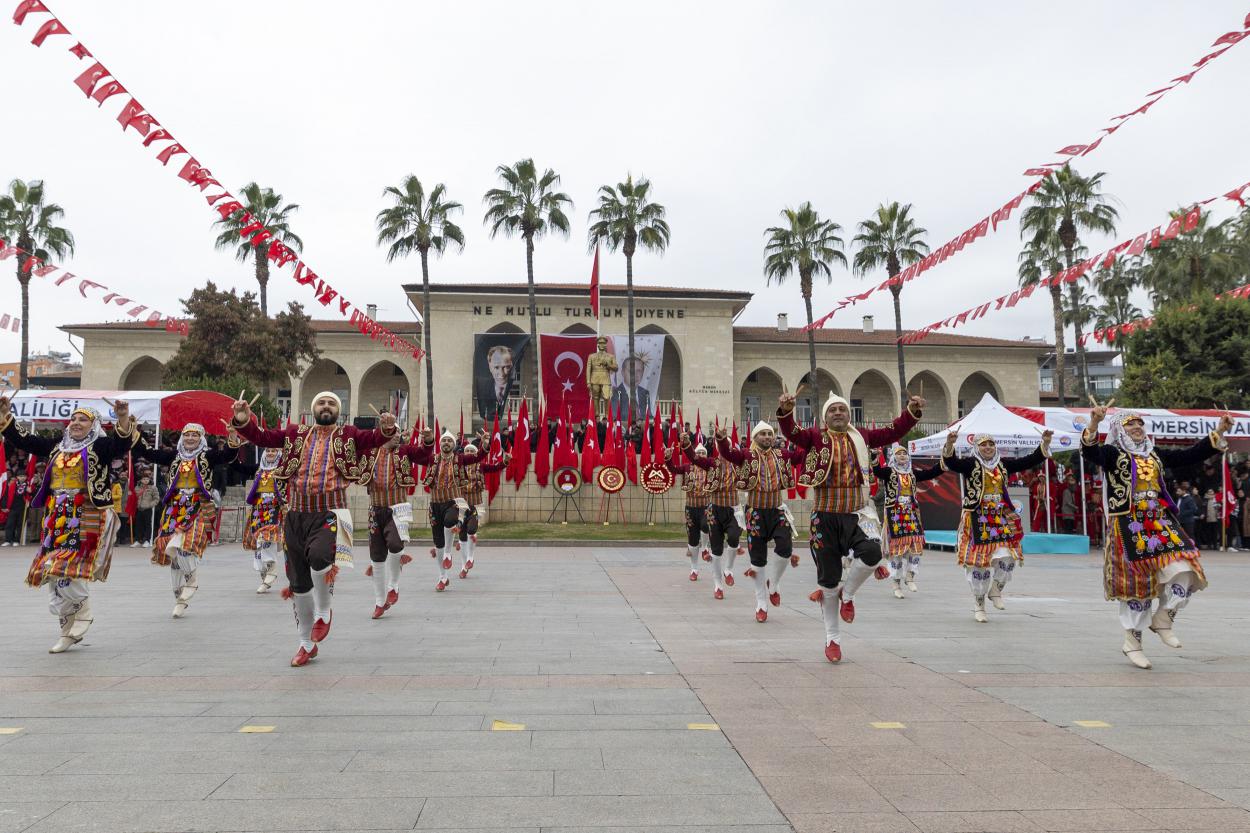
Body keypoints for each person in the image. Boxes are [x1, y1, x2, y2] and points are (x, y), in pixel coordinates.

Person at [232, 391, 397, 667]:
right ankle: (305, 644)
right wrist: (242, 419)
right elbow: (261, 437)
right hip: (295, 515)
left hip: (332, 513)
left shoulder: (349, 435)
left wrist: (387, 426)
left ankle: (324, 611)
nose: (326, 406)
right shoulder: (295, 434)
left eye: (332, 403)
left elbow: (376, 438)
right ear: (313, 408)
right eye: (321, 402)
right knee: (298, 582)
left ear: (338, 410)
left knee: (321, 557)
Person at [1081, 407, 1231, 669]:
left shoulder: (1154, 453)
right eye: (1131, 424)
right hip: (1128, 523)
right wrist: (1094, 422)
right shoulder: (1113, 453)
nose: (1137, 427)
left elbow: (1190, 455)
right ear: (1120, 430)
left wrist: (1218, 431)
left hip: (1159, 520)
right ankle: (1133, 641)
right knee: (1137, 587)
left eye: (1140, 424)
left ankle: (1164, 617)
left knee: (1186, 568)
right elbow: (1089, 451)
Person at [780, 391, 923, 663]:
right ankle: (832, 639)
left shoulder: (863, 436)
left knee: (872, 553)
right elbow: (792, 432)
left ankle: (850, 593)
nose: (837, 413)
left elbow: (893, 432)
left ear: (849, 414)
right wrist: (786, 410)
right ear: (825, 417)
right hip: (825, 515)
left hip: (858, 513)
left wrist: (912, 412)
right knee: (829, 581)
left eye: (841, 409)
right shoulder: (814, 438)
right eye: (832, 410)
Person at [0, 395, 137, 653]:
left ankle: (82, 613)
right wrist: (4, 415)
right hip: (58, 516)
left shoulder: (101, 446)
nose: (75, 423)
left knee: (66, 566)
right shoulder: (57, 445)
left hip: (89, 513)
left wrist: (121, 417)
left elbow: (122, 444)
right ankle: (67, 630)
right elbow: (25, 440)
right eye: (73, 419)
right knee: (52, 573)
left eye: (82, 419)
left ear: (94, 424)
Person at [941, 429, 1053, 623]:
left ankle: (996, 589)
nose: (988, 448)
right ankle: (979, 604)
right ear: (977, 447)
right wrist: (950, 444)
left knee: (1008, 557)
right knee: (979, 564)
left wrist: (1044, 443)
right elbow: (952, 463)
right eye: (983, 444)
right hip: (976, 516)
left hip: (999, 516)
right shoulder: (970, 464)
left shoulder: (1003, 464)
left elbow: (1028, 461)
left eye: (991, 444)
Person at [134, 423, 244, 619]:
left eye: (195, 435)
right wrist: (134, 429)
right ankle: (179, 594)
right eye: (187, 435)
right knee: (171, 550)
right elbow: (148, 453)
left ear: (201, 438)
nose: (190, 438)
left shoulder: (207, 456)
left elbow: (227, 456)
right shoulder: (174, 456)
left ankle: (191, 578)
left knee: (185, 544)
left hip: (197, 505)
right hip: (174, 507)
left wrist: (233, 434)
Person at [716, 420, 804, 625]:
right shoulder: (747, 455)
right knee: (757, 559)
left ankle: (773, 584)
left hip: (777, 510)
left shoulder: (782, 455)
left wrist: (811, 440)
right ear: (755, 438)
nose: (767, 437)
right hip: (755, 512)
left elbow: (801, 456)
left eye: (770, 433)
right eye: (762, 434)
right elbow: (729, 454)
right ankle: (761, 603)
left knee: (785, 548)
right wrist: (721, 440)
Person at [360, 426, 425, 617]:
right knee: (377, 556)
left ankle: (393, 586)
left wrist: (428, 440)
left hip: (398, 508)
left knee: (396, 545)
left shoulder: (404, 451)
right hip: (375, 509)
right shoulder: (370, 452)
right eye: (394, 432)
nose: (398, 436)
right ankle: (380, 602)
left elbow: (423, 454)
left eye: (398, 433)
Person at [415, 430, 487, 592]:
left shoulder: (460, 459)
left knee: (450, 521)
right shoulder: (432, 459)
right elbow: (415, 456)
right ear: (440, 444)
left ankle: (449, 553)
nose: (446, 442)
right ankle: (443, 577)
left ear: (454, 445)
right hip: (435, 504)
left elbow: (478, 457)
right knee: (438, 542)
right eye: (444, 440)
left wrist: (485, 445)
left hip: (454, 501)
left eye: (449, 440)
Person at [871, 444, 944, 600]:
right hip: (895, 513)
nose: (902, 456)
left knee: (916, 547)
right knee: (897, 550)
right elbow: (877, 471)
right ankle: (896, 583)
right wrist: (874, 458)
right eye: (899, 454)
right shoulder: (889, 472)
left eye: (905, 453)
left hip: (911, 513)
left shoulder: (912, 473)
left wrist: (946, 457)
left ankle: (910, 575)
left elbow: (931, 473)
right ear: (894, 457)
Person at [663, 437, 716, 591]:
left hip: (706, 506)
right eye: (698, 453)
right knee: (693, 540)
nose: (700, 455)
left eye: (703, 453)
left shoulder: (710, 469)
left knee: (706, 525)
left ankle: (705, 547)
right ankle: (694, 569)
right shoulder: (687, 467)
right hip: (691, 507)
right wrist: (668, 457)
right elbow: (672, 469)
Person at [452, 435, 508, 581]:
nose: (469, 454)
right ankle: (464, 566)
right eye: (467, 451)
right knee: (462, 535)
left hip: (476, 504)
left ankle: (471, 557)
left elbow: (495, 468)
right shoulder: (459, 467)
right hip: (462, 505)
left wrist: (505, 461)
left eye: (472, 451)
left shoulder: (481, 466)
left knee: (471, 529)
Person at [242, 447, 285, 594]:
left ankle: (271, 571)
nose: (270, 453)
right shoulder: (259, 470)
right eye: (268, 451)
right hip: (258, 509)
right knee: (259, 543)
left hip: (274, 508)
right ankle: (264, 573)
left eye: (274, 451)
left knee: (268, 539)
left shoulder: (283, 470)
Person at [477, 345, 515, 421]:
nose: (501, 373)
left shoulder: (514, 385)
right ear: (490, 367)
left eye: (506, 367)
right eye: (497, 367)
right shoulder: (482, 386)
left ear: (512, 366)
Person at [610, 355, 652, 421]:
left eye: (639, 371)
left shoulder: (645, 393)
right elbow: (614, 419)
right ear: (623, 373)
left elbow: (649, 416)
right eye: (631, 371)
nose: (635, 375)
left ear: (643, 373)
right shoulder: (615, 393)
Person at [585, 336, 617, 419]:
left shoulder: (610, 356)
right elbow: (588, 369)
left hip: (606, 378)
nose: (602, 345)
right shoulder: (591, 356)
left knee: (607, 397)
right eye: (600, 343)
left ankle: (607, 415)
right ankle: (596, 416)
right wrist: (588, 381)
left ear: (606, 345)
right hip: (594, 378)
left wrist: (608, 364)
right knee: (595, 398)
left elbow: (616, 368)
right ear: (598, 345)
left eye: (603, 343)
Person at [2, 469, 30, 546]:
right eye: (20, 476)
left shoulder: (28, 485)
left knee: (20, 525)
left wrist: (30, 492)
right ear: (17, 477)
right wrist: (5, 506)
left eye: (24, 476)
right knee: (10, 524)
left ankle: (16, 540)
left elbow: (32, 495)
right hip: (13, 507)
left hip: (23, 508)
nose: (22, 478)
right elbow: (6, 496)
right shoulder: (12, 485)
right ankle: (8, 540)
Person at [132, 471, 158, 547]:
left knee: (147, 525)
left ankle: (147, 540)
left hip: (148, 509)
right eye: (144, 479)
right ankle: (137, 540)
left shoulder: (153, 488)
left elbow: (156, 499)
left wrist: (150, 505)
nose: (146, 480)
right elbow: (133, 498)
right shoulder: (137, 487)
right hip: (139, 509)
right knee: (138, 525)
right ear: (141, 480)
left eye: (147, 479)